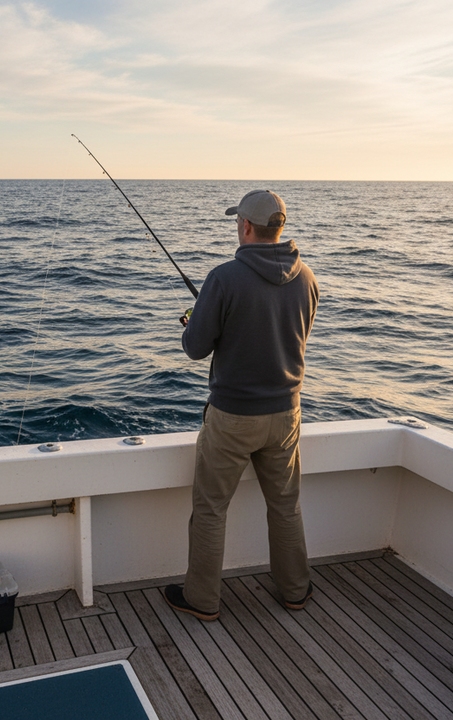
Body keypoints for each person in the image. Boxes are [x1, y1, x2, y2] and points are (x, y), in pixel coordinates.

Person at [164, 189, 319, 621]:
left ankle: (202, 600)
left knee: (211, 510)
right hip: (286, 416)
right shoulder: (308, 278)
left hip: (232, 418)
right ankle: (295, 590)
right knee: (286, 506)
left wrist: (195, 320)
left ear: (246, 226)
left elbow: (196, 348)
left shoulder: (223, 278)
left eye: (238, 222)